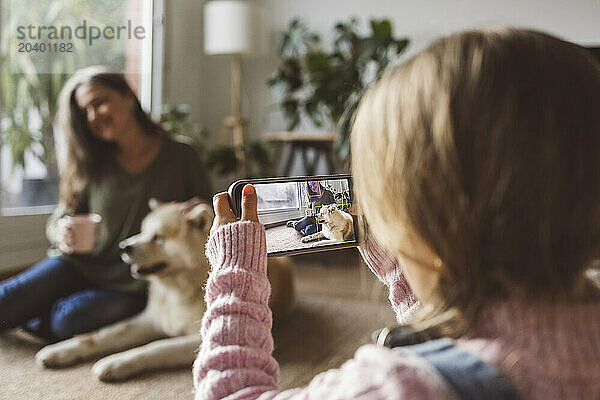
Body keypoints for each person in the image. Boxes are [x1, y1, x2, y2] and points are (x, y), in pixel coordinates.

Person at [192, 28, 600, 399]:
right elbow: (455, 315)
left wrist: (237, 277)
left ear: (433, 233)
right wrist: (393, 252)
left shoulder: (403, 387)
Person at [0, 66, 211, 341]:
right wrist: (61, 231)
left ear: (128, 96)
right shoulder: (91, 161)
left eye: (98, 103)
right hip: (77, 266)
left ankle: (41, 312)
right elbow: (60, 218)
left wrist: (202, 207)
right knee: (6, 300)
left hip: (134, 281)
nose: (92, 116)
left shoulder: (181, 155)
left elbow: (210, 217)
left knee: (67, 320)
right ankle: (38, 310)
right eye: (85, 110)